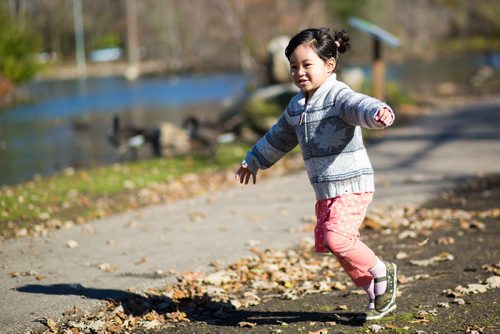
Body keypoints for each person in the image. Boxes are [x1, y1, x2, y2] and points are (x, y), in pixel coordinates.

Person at [236, 27, 397, 320]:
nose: (299, 72)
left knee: (337, 239)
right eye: (293, 66)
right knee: (335, 245)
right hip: (325, 190)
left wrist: (377, 112)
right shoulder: (297, 106)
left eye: (307, 65)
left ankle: (383, 271)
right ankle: (375, 290)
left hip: (352, 184)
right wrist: (255, 159)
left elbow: (358, 105)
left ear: (329, 64)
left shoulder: (338, 96)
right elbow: (279, 137)